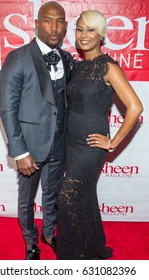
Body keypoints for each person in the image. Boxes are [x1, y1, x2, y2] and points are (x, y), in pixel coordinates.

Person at [56, 10, 143, 260]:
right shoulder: (78, 66)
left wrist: (113, 142)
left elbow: (135, 107)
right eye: (80, 29)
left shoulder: (108, 67)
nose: (84, 35)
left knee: (67, 196)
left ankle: (73, 256)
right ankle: (90, 247)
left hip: (91, 145)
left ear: (101, 34)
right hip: (71, 142)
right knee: (83, 196)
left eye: (90, 30)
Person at [0, 1, 73, 260]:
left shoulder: (67, 58)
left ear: (65, 26)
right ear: (37, 23)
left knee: (52, 195)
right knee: (27, 200)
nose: (54, 27)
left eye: (60, 21)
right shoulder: (18, 58)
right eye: (48, 20)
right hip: (30, 148)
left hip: (60, 145)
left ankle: (50, 232)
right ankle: (31, 241)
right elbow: (8, 109)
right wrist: (20, 152)